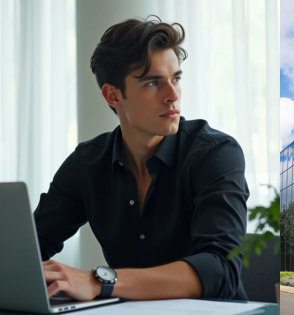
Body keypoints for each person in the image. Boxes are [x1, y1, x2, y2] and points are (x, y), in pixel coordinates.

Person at [33, 15, 249, 301]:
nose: (173, 95)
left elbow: (221, 269)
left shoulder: (215, 153)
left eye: (176, 79)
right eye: (152, 83)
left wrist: (99, 282)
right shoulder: (86, 164)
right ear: (113, 96)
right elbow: (30, 248)